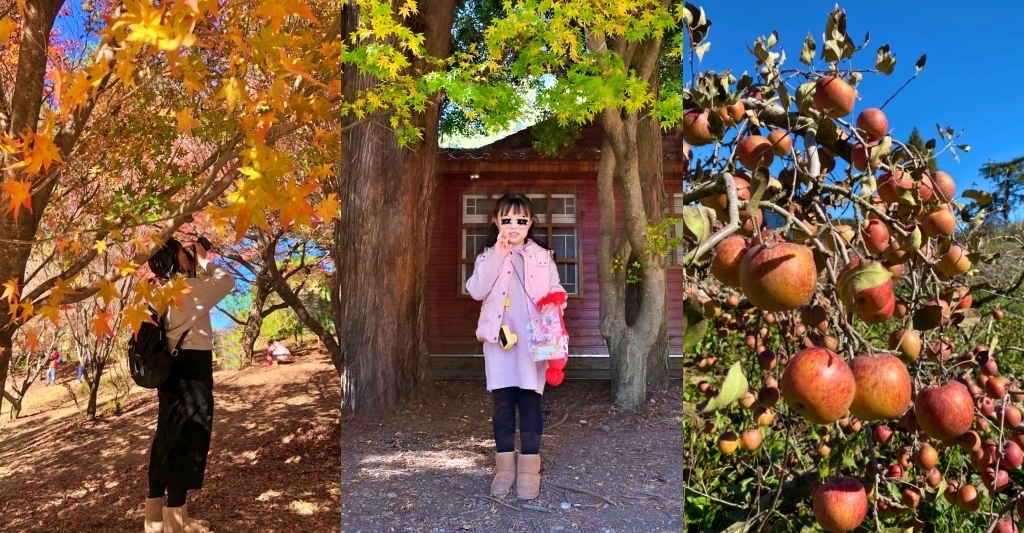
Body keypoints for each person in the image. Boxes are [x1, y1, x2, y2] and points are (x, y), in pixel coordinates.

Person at [466, 193, 566, 500]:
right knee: (503, 404)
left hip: (534, 342)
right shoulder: (487, 256)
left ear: (530, 223)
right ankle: (505, 470)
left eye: (521, 220)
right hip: (500, 341)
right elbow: (476, 290)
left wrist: (554, 301)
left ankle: (528, 471)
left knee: (530, 402)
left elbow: (556, 289)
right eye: (506, 219)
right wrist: (497, 254)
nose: (513, 226)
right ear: (496, 222)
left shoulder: (543, 256)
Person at [142, 236, 234, 533]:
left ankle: (155, 519)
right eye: (184, 251)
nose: (188, 254)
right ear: (175, 258)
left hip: (169, 370)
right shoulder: (188, 289)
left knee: (166, 436)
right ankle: (175, 523)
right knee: (188, 439)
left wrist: (190, 267)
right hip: (192, 369)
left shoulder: (155, 292)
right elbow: (227, 281)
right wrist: (205, 260)